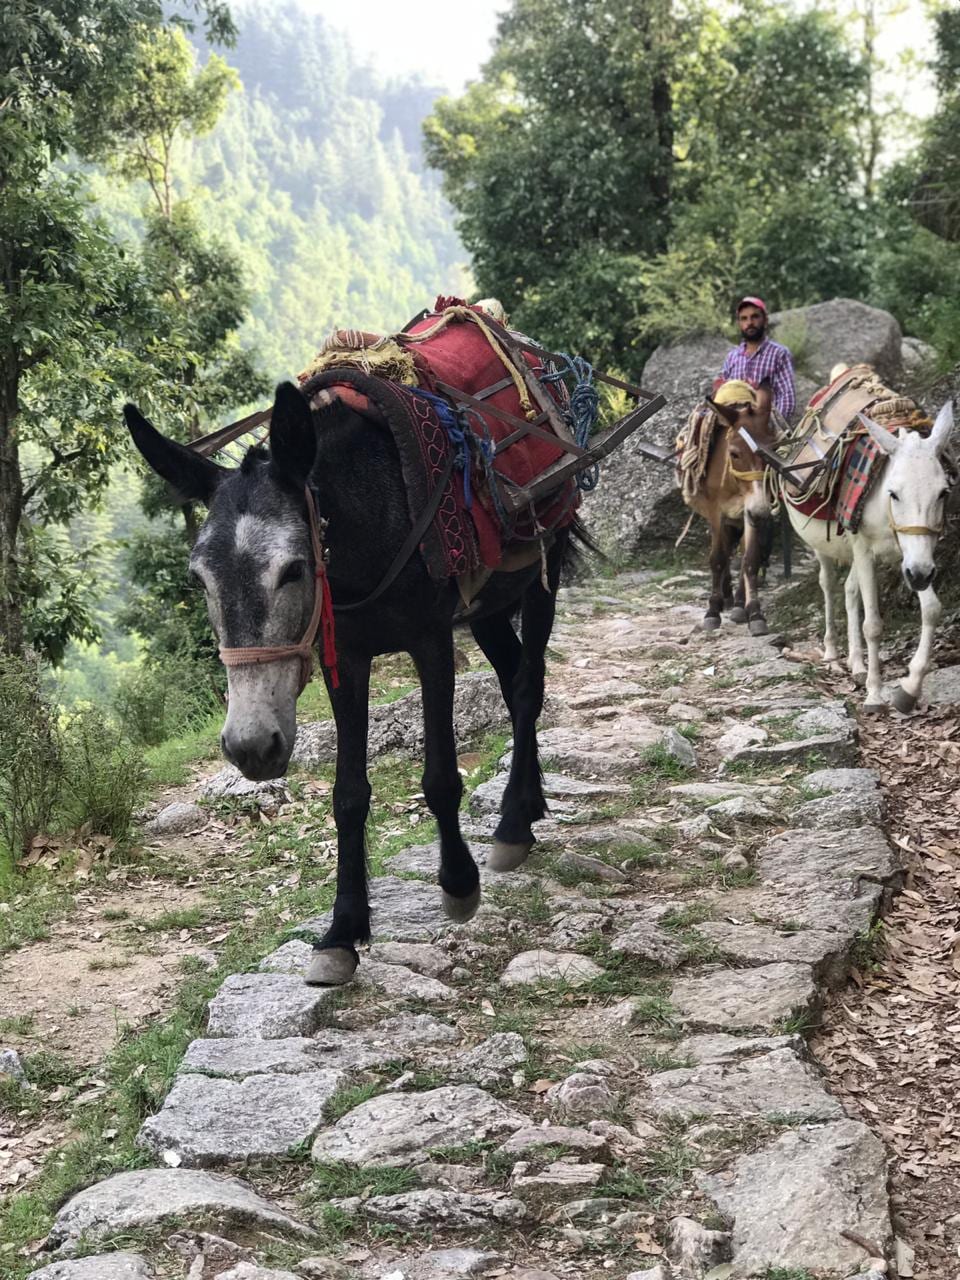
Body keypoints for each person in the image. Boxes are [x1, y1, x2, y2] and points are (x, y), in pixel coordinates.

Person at [714, 295, 796, 421]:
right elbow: (722, 391)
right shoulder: (732, 356)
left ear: (765, 320)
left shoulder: (779, 353)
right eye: (744, 319)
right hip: (734, 424)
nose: (749, 323)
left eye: (755, 317)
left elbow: (786, 395)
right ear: (739, 324)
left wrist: (772, 427)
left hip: (764, 425)